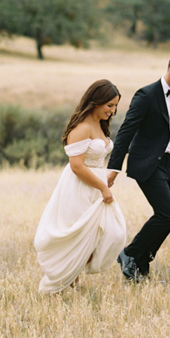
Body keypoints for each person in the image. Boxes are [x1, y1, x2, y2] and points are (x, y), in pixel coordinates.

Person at [107, 52, 170, 281]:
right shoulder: (146, 95)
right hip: (147, 163)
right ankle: (129, 254)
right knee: (165, 214)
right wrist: (114, 168)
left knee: (168, 219)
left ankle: (140, 268)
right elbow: (125, 132)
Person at [34, 80, 128, 293]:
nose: (113, 111)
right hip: (80, 187)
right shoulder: (81, 128)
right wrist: (102, 187)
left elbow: (95, 162)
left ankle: (72, 277)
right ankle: (59, 284)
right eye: (109, 105)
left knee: (111, 233)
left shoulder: (100, 125)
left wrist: (107, 176)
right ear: (96, 102)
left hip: (96, 184)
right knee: (78, 235)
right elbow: (76, 166)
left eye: (115, 106)